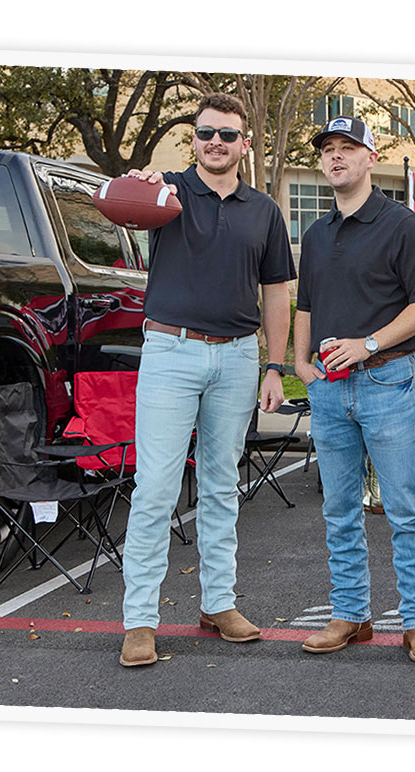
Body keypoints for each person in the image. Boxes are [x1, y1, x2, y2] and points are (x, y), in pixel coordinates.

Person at [117, 93, 295, 668]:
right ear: (193, 138)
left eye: (227, 134)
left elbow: (275, 292)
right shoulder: (164, 190)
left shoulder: (264, 209)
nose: (215, 142)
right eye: (205, 133)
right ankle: (140, 620)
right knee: (156, 489)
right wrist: (139, 178)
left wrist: (275, 365)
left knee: (222, 487)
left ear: (245, 144)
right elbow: (117, 202)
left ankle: (219, 602)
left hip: (239, 357)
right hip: (171, 351)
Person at [293, 116, 415, 664]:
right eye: (328, 149)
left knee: (404, 509)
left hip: (387, 380)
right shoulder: (315, 233)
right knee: (339, 510)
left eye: (348, 148)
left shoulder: (403, 225)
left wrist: (368, 344)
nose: (336, 157)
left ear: (369, 156)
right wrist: (298, 361)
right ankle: (350, 615)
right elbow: (305, 303)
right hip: (329, 390)